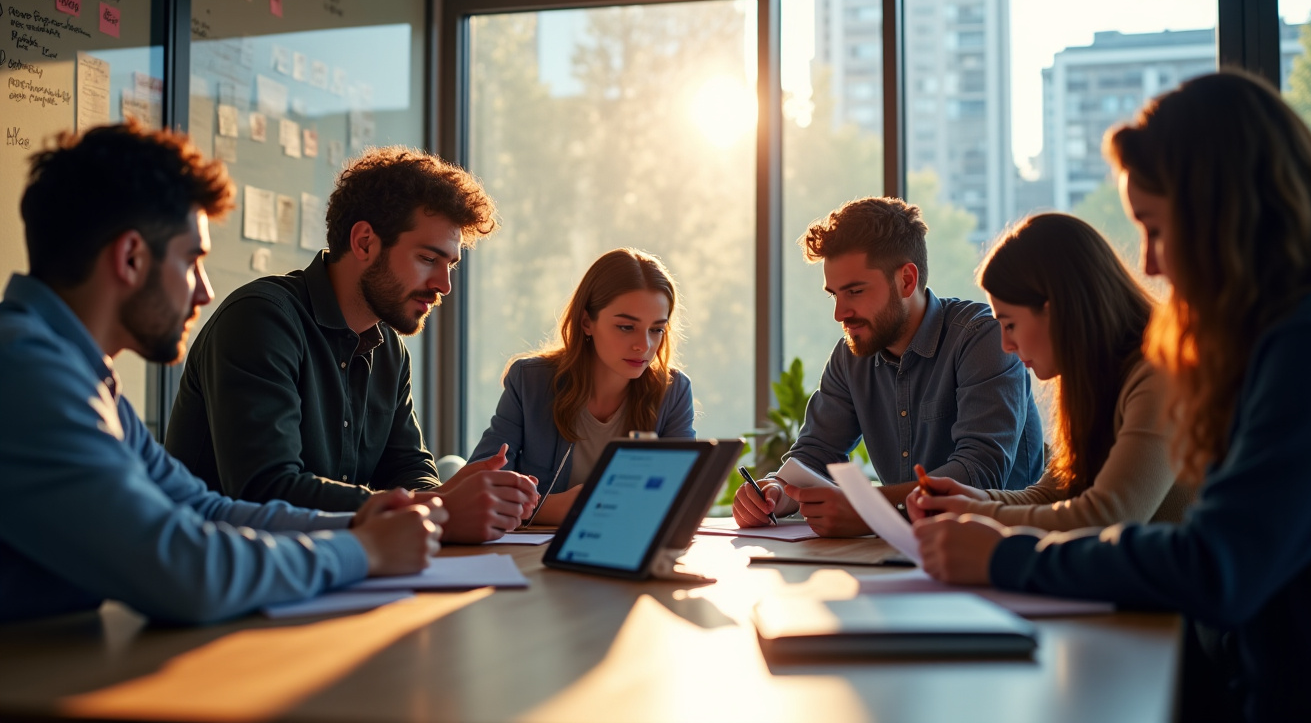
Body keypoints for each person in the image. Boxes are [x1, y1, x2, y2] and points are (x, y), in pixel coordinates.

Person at [913, 71, 1311, 722]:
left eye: (1157, 228)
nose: (1148, 263)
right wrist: (987, 515)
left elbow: (1213, 564)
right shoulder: (1298, 336)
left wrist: (1004, 554)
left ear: (1226, 214)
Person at [0, 122, 446, 624]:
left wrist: (360, 523)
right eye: (193, 260)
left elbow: (203, 509)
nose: (204, 292)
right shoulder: (25, 375)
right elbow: (186, 570)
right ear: (129, 258)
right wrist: (364, 552)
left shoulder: (76, 376)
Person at [165, 147, 538, 543]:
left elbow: (409, 468)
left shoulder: (389, 349)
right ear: (364, 242)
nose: (444, 285)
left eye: (450, 265)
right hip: (234, 580)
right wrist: (438, 508)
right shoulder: (260, 320)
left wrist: (451, 498)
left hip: (334, 572)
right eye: (429, 258)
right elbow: (267, 491)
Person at [732, 197, 1044, 536]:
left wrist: (869, 508)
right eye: (834, 294)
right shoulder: (850, 356)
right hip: (902, 550)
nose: (840, 313)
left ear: (907, 281)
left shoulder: (983, 338)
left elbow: (979, 472)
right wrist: (777, 490)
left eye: (854, 291)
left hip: (1001, 550)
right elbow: (815, 452)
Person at [906, 213, 1194, 529]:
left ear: (1055, 309)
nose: (1006, 345)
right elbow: (1053, 496)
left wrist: (976, 512)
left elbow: (1107, 515)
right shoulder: (1094, 383)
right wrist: (973, 502)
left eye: (1010, 325)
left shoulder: (1158, 375)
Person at [468, 248, 695, 524]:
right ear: (587, 322)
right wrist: (555, 508)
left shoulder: (673, 391)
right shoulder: (530, 382)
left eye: (656, 329)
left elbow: (682, 500)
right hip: (532, 554)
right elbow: (481, 487)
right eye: (626, 327)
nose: (644, 346)